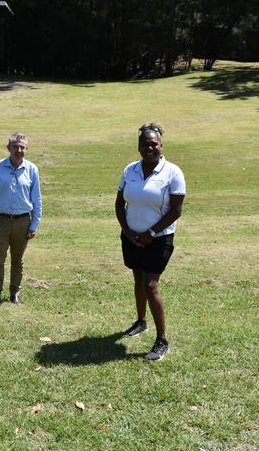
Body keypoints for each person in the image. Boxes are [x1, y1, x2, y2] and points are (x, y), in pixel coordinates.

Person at [115, 123, 186, 361]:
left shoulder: (172, 172)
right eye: (145, 143)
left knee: (151, 284)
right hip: (132, 237)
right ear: (139, 146)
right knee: (138, 279)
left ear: (161, 146)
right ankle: (140, 321)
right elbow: (119, 204)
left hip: (159, 238)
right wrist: (126, 231)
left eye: (154, 143)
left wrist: (152, 233)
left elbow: (176, 211)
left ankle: (162, 340)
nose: (149, 147)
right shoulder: (129, 170)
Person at [0, 132, 42, 305]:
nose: (19, 150)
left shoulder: (32, 169)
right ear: (8, 148)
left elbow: (37, 198)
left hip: (23, 221)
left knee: (18, 260)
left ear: (26, 149)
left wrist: (34, 224)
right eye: (15, 147)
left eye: (22, 147)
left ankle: (15, 292)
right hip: (0, 221)